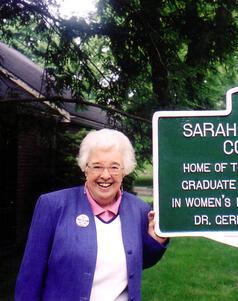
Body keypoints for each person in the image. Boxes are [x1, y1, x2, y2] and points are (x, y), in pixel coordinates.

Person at [15, 128, 168, 301]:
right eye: (97, 166)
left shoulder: (139, 209)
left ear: (124, 170)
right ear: (85, 168)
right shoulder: (53, 205)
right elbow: (30, 276)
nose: (105, 175)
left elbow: (138, 262)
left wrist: (155, 242)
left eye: (114, 167)